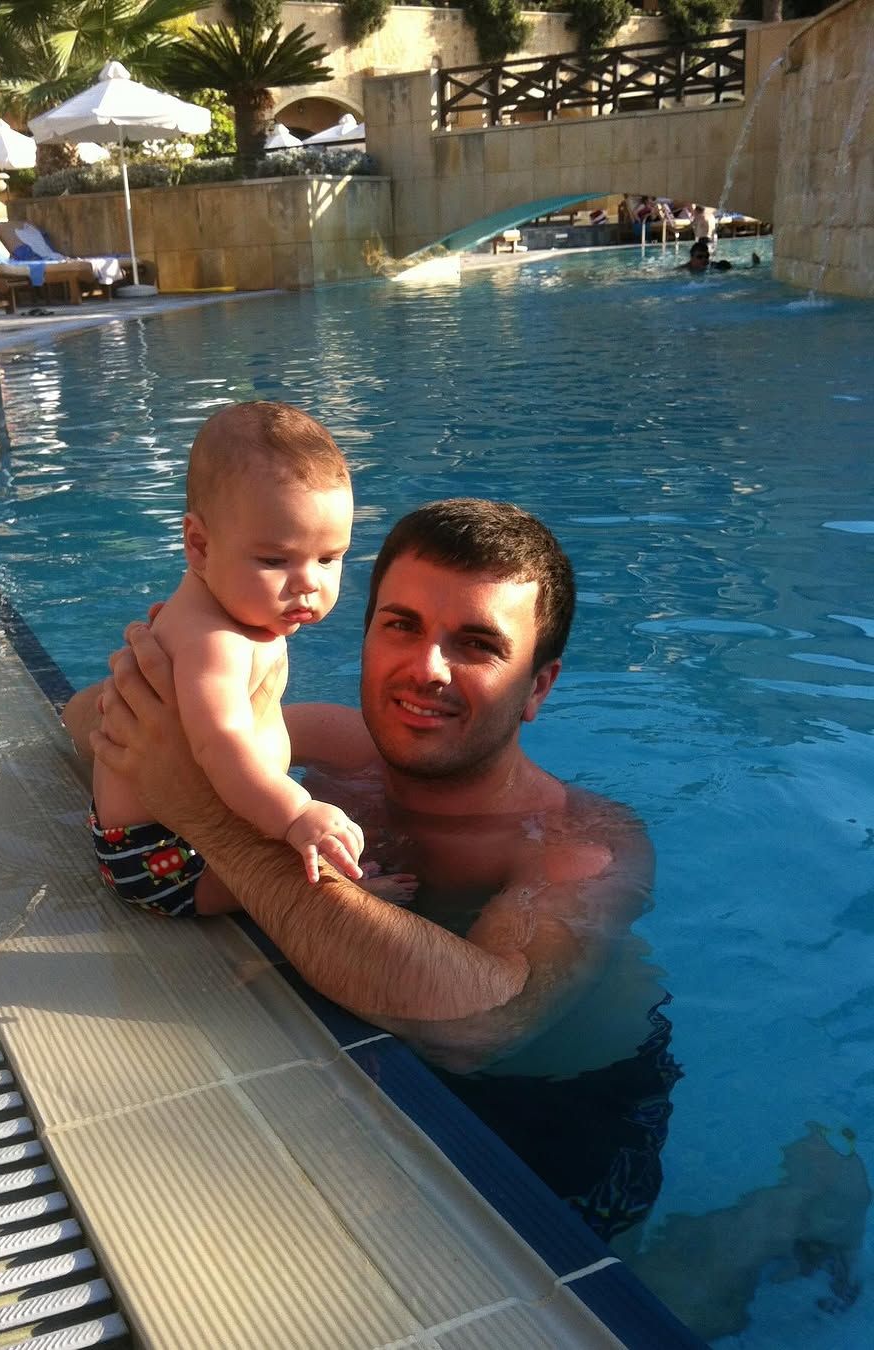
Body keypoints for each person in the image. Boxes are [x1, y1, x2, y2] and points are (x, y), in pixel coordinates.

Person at [66, 497, 668, 1235]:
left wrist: (209, 817)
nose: (426, 669)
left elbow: (483, 1026)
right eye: (401, 626)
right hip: (364, 1062)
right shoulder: (336, 748)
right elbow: (84, 721)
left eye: (476, 644)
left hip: (555, 1114)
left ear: (537, 687)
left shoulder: (581, 842)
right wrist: (180, 669)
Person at [88, 401, 364, 920]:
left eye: (329, 558)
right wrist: (296, 813)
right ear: (199, 545)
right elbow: (221, 744)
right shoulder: (214, 641)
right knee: (320, 880)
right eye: (275, 559)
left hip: (162, 832)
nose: (308, 582)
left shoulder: (228, 608)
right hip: (167, 856)